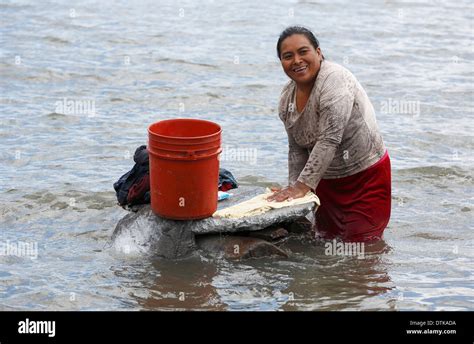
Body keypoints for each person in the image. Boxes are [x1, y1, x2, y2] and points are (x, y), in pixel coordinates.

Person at [267, 26, 391, 242]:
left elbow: (329, 139)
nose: (296, 60)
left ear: (318, 52)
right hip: (325, 180)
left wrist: (301, 187)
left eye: (303, 52)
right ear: (281, 63)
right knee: (325, 241)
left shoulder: (335, 80)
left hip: (364, 176)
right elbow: (296, 148)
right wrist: (292, 191)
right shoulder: (286, 98)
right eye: (288, 56)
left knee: (363, 247)